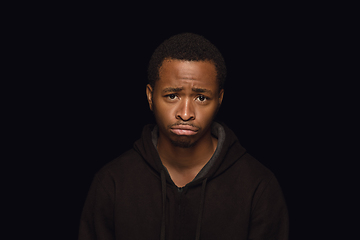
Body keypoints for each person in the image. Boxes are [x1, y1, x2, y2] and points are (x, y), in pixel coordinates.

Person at [78, 33, 289, 240]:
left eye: (201, 97)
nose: (186, 113)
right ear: (150, 96)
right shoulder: (112, 182)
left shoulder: (258, 187)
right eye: (172, 96)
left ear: (219, 99)